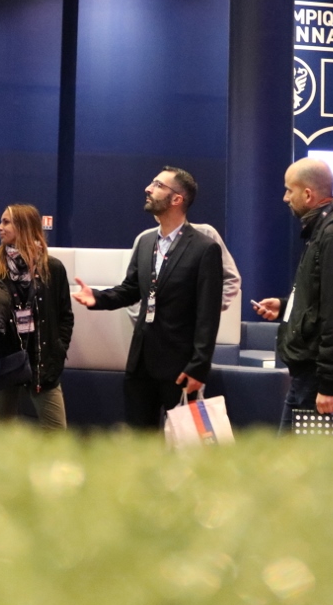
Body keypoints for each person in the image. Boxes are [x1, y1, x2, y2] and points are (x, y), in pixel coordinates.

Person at [74, 167, 223, 429]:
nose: (148, 188)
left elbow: (207, 315)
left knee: (183, 442)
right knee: (139, 440)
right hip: (141, 363)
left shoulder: (204, 248)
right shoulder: (145, 242)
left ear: (177, 199)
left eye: (158, 185)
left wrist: (199, 366)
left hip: (181, 366)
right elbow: (131, 289)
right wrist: (98, 298)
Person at [252, 158, 333, 429]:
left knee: (311, 456)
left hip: (319, 378)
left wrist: (329, 384)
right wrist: (285, 306)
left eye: (289, 190)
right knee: (292, 454)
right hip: (309, 374)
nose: (285, 198)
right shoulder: (322, 232)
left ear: (307, 194)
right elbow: (320, 299)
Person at [0, 204, 74, 429]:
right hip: (6, 361)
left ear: (24, 226)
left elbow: (65, 316)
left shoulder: (53, 268)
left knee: (55, 431)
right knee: (5, 433)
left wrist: (59, 349)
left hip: (43, 361)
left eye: (6, 222)